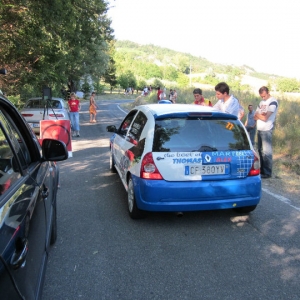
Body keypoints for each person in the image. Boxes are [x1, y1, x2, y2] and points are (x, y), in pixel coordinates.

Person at [254, 86, 278, 178]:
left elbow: (265, 117)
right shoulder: (261, 102)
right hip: (259, 128)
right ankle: (262, 170)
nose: (263, 98)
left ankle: (267, 172)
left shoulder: (272, 102)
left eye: (264, 96)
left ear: (268, 92)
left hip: (267, 129)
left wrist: (260, 115)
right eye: (261, 96)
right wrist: (260, 115)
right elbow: (255, 116)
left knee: (267, 152)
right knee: (260, 150)